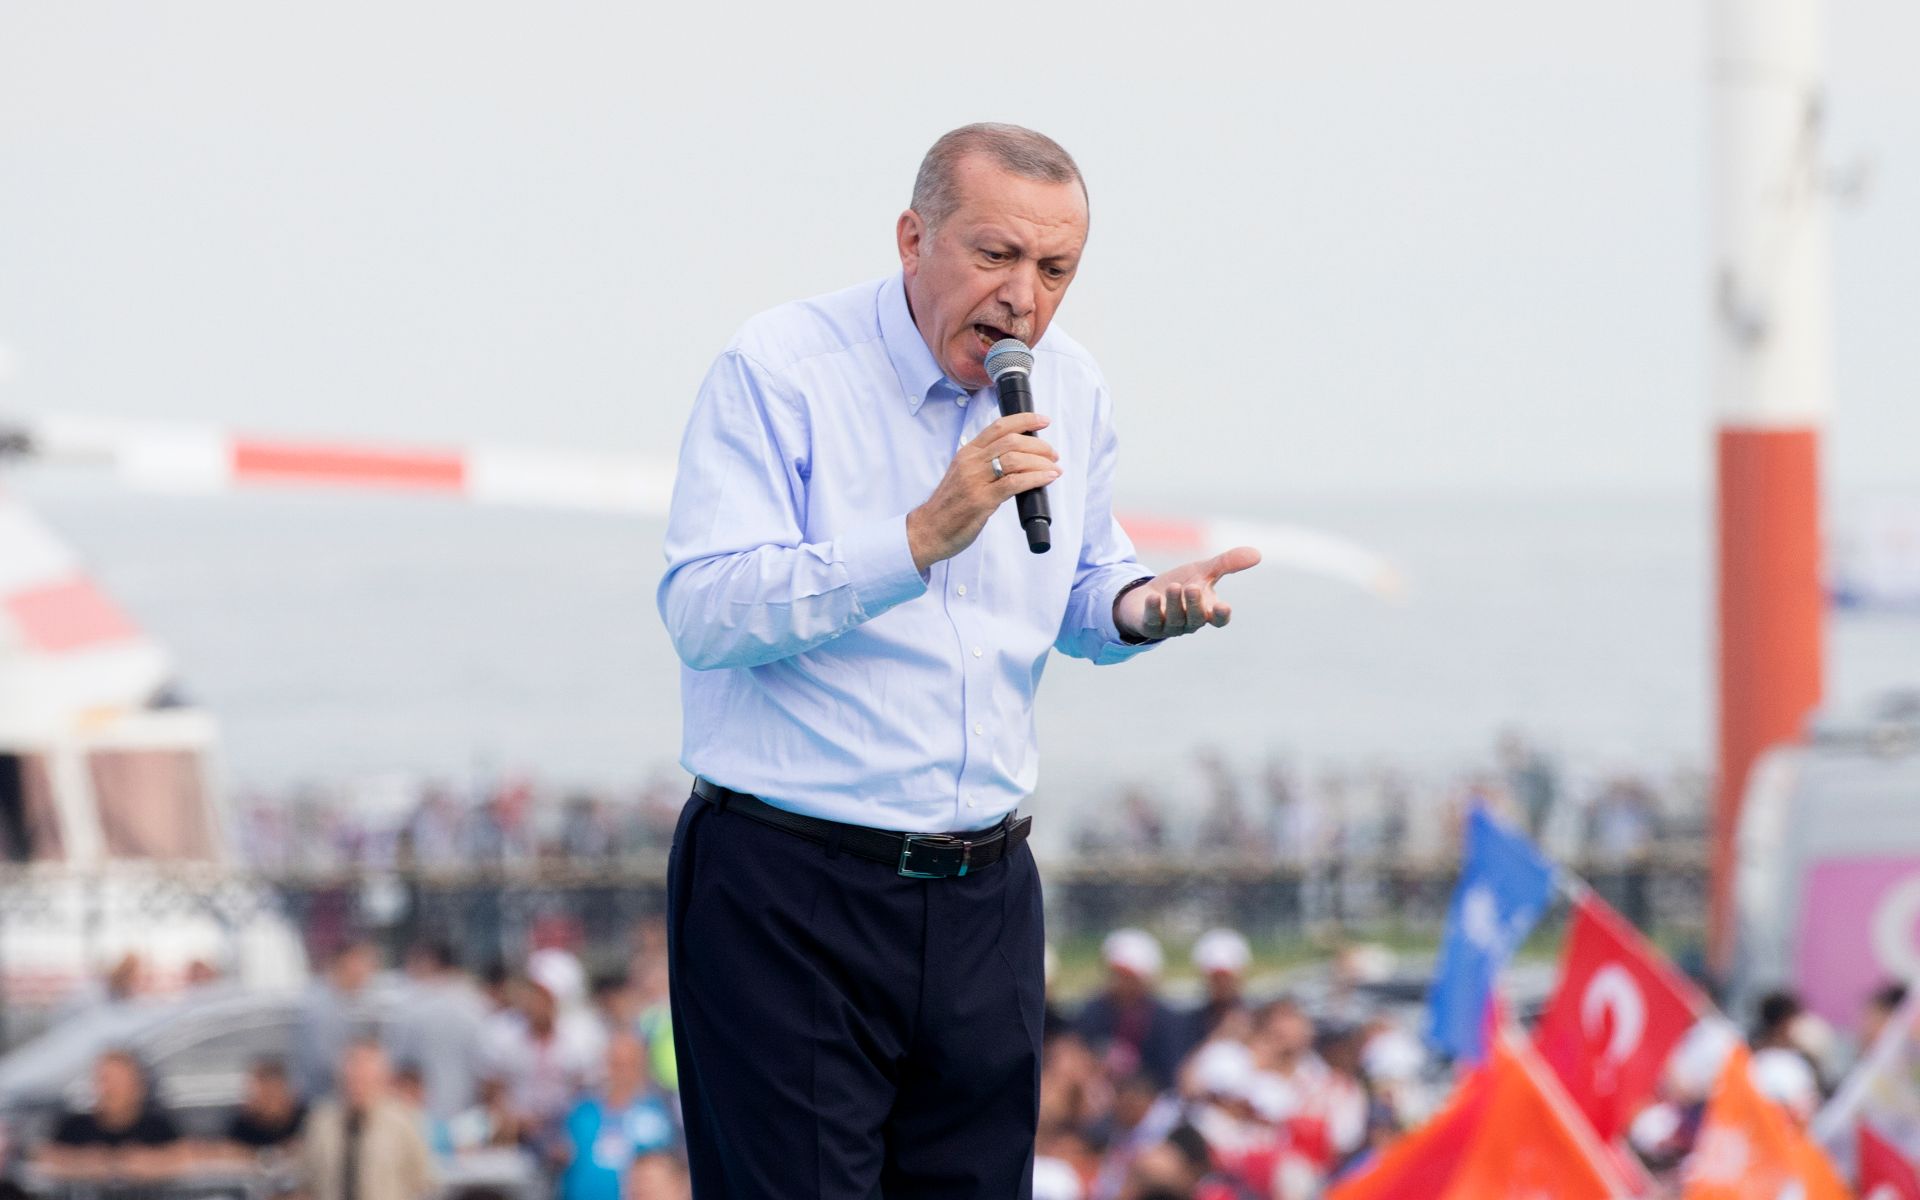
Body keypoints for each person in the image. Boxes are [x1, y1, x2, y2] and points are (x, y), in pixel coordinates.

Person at [658, 122, 1260, 1197]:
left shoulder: (1067, 384)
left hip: (984, 893)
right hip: (791, 890)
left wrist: (1139, 608)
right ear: (911, 238)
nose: (1023, 296)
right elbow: (705, 609)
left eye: (1056, 269)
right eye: (995, 256)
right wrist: (918, 537)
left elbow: (1078, 584)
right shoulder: (782, 369)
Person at [301, 1038, 436, 1200]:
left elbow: (423, 1180)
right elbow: (308, 1179)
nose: (357, 1085)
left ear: (381, 1080)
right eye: (352, 1078)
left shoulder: (403, 1122)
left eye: (365, 1078)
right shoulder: (321, 1122)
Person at [556, 1032, 677, 1200]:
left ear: (642, 1065)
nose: (621, 1071)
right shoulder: (583, 1112)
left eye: (629, 1063)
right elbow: (564, 1155)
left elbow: (667, 1170)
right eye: (615, 1062)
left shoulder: (659, 1114)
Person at [36, 1049, 183, 1178]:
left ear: (137, 1085)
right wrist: (82, 1162)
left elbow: (191, 1153)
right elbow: (42, 1156)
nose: (111, 1089)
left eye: (119, 1081)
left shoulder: (157, 1127)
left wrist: (155, 1162)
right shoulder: (76, 1126)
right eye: (105, 1080)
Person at [387, 940, 487, 1120]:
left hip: (420, 1113)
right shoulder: (477, 1004)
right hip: (469, 1114)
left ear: (428, 962)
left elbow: (395, 1065)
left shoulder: (409, 1007)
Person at [1078, 929, 1188, 1088]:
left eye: (1128, 977)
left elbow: (1170, 1072)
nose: (1121, 983)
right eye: (1117, 974)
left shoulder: (1165, 1020)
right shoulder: (1093, 1012)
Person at [295, 940, 381, 1101]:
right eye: (362, 964)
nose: (367, 973)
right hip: (321, 1103)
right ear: (344, 965)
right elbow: (325, 1063)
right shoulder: (321, 1007)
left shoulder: (340, 1003)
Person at [224, 1057, 307, 1154]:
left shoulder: (308, 1121)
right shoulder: (241, 1125)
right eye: (263, 1095)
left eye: (273, 1094)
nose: (267, 1102)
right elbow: (232, 1151)